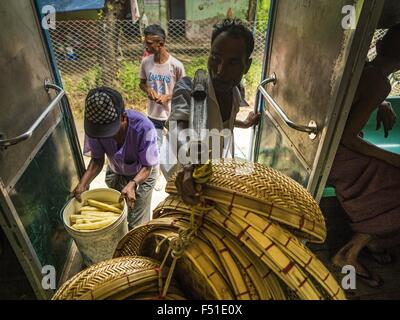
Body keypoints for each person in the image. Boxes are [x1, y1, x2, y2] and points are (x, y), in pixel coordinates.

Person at [328, 24, 400, 287]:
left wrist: (382, 102)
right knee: (393, 184)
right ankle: (349, 254)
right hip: (337, 155)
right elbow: (348, 137)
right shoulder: (379, 82)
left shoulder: (364, 65)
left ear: (379, 46)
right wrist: (392, 159)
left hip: (328, 148)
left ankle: (376, 241)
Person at [167, 18, 261, 205]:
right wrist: (188, 165)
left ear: (247, 66)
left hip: (218, 178)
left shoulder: (235, 90)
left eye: (233, 63)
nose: (220, 70)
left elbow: (223, 122)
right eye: (215, 58)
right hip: (188, 182)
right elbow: (177, 127)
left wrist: (243, 123)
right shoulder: (188, 88)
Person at [73, 87, 159, 230]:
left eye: (109, 131)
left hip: (142, 174)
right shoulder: (95, 128)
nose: (106, 137)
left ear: (123, 117)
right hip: (116, 170)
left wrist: (133, 184)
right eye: (101, 133)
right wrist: (83, 184)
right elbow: (97, 160)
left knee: (136, 223)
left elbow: (147, 166)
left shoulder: (144, 128)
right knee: (117, 214)